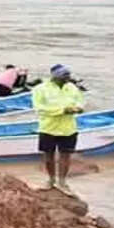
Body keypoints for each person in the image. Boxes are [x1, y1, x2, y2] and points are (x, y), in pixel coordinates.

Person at [33, 64, 84, 197]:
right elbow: (39, 108)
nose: (68, 77)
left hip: (68, 128)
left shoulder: (72, 87)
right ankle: (51, 180)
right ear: (56, 76)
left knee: (65, 156)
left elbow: (80, 101)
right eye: (65, 75)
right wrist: (62, 110)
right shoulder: (40, 89)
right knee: (48, 156)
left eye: (68, 74)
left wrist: (78, 108)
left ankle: (62, 182)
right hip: (48, 128)